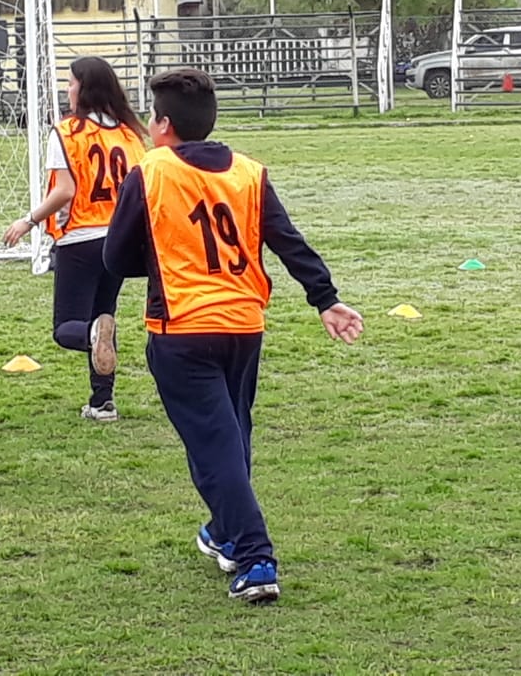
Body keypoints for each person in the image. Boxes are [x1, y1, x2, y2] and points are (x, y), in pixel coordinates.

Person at [102, 67, 363, 604]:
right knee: (231, 435)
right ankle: (224, 531)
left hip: (182, 327)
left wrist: (160, 257)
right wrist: (325, 298)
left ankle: (255, 556)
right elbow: (288, 241)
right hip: (243, 325)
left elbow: (115, 256)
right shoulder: (249, 172)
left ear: (164, 124)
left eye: (152, 117)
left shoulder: (151, 171)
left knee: (214, 447)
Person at [3, 56, 147, 421]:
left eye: (71, 83)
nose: (67, 90)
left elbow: (65, 191)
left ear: (86, 88)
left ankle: (96, 358)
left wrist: (28, 220)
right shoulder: (130, 134)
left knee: (69, 328)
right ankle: (102, 402)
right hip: (119, 240)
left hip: (81, 238)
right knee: (103, 318)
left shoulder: (67, 131)